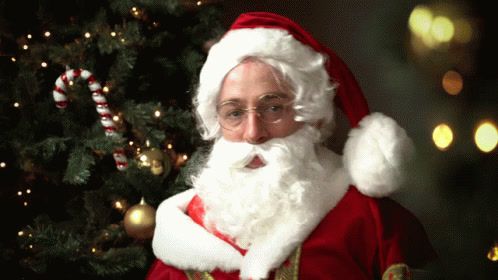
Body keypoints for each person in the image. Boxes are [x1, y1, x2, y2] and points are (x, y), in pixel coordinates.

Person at [146, 12, 437, 280]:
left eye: (273, 109)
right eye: (234, 113)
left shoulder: (370, 222)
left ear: (311, 116)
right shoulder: (184, 232)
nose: (253, 133)